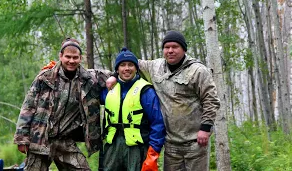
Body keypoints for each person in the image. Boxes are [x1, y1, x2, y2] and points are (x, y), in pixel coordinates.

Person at [106, 31, 220, 171]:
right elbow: (129, 63)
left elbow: (211, 100)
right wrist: (113, 75)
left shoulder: (198, 71)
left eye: (175, 47)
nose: (170, 51)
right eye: (167, 47)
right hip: (171, 143)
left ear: (184, 49)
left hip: (195, 141)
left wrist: (205, 128)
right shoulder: (155, 67)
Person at [14, 38, 110, 171]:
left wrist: (113, 79)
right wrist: (21, 139)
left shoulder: (89, 78)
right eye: (68, 57)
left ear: (80, 58)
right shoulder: (45, 78)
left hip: (65, 140)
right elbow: (28, 107)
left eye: (75, 57)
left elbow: (121, 72)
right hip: (41, 139)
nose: (71, 61)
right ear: (60, 56)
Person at [100, 48, 165, 171]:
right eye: (122, 65)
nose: (127, 68)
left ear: (136, 68)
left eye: (130, 65)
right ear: (117, 69)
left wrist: (153, 153)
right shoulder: (108, 89)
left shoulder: (146, 91)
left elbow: (158, 123)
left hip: (136, 147)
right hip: (112, 145)